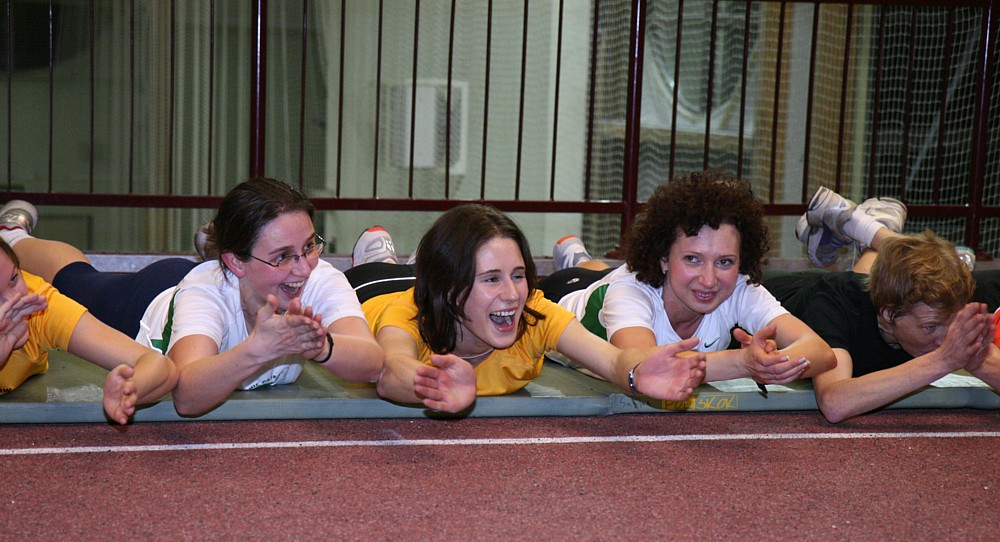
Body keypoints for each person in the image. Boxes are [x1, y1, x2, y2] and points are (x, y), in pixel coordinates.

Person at [1, 177, 384, 417]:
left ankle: (213, 241)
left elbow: (372, 362)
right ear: (235, 262)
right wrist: (258, 349)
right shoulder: (205, 291)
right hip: (147, 301)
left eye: (310, 246)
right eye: (282, 256)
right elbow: (186, 395)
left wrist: (321, 345)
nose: (302, 268)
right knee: (79, 281)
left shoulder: (316, 275)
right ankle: (14, 234)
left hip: (221, 275)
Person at [344, 204, 707, 414]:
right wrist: (435, 385)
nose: (512, 294)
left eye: (518, 275)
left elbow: (611, 360)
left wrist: (636, 374)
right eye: (491, 279)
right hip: (378, 288)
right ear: (452, 288)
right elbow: (391, 371)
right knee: (382, 271)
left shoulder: (534, 312)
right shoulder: (405, 314)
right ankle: (379, 257)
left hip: (442, 283)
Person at [540, 170, 837, 389]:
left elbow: (821, 351)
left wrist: (772, 363)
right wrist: (743, 363)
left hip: (619, 282)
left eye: (724, 261)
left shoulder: (738, 287)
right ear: (663, 257)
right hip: (565, 291)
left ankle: (585, 260)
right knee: (599, 277)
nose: (709, 280)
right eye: (693, 259)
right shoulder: (629, 292)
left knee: (606, 273)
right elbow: (645, 367)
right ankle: (578, 261)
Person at [766, 186, 1000, 422]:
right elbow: (834, 403)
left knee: (882, 280)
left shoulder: (951, 300)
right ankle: (871, 228)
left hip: (870, 289)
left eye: (950, 325)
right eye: (930, 327)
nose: (943, 340)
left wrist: (974, 358)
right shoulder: (834, 304)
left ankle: (871, 230)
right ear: (888, 314)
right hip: (780, 289)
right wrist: (943, 360)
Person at [0, 205, 177, 425]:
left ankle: (10, 232)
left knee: (74, 280)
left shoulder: (38, 306)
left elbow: (160, 365)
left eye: (14, 278)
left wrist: (132, 389)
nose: (14, 300)